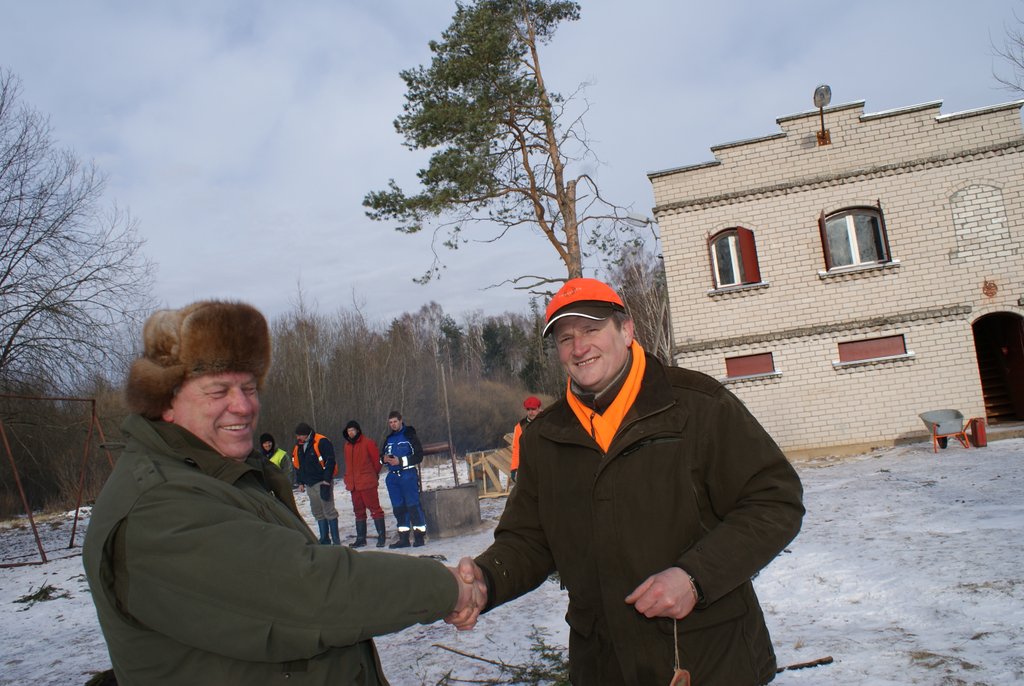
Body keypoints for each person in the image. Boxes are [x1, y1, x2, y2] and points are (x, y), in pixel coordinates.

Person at [82, 300, 485, 685]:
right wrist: (445, 588)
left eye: (249, 387)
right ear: (165, 403)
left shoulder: (226, 473)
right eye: (219, 391)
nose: (244, 406)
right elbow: (310, 591)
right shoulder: (157, 506)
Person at [447, 279, 805, 685]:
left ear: (627, 330)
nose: (579, 348)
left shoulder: (697, 405)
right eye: (565, 338)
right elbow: (529, 539)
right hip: (604, 666)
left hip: (709, 659)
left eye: (591, 329)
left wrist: (694, 578)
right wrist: (486, 580)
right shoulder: (544, 437)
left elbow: (775, 500)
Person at [380, 410, 427, 548]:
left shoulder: (409, 435)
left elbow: (419, 456)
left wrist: (400, 461)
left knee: (413, 506)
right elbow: (381, 457)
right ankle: (404, 539)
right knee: (398, 508)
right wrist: (383, 459)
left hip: (408, 475)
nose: (393, 424)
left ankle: (419, 537)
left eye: (395, 421)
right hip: (393, 478)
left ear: (401, 421)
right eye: (390, 422)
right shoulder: (388, 439)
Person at [292, 422, 342, 545]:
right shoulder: (299, 446)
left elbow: (330, 461)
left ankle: (336, 541)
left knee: (329, 510)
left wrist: (326, 480)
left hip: (322, 482)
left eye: (299, 435)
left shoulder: (321, 441)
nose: (298, 438)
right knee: (317, 511)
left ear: (306, 434)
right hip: (309, 484)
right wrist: (300, 482)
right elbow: (298, 465)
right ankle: (324, 539)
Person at [342, 419, 387, 548]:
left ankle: (381, 537)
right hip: (354, 485)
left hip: (367, 483)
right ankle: (361, 538)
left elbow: (377, 462)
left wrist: (372, 475)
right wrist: (347, 478)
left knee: (375, 510)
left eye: (352, 430)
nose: (350, 433)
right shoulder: (347, 446)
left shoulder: (368, 443)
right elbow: (348, 464)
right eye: (348, 431)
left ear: (358, 430)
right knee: (358, 511)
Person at [509, 395, 541, 483]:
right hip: (528, 467)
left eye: (533, 409)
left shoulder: (546, 422)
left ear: (539, 408)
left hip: (546, 465)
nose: (531, 412)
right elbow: (516, 448)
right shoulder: (520, 427)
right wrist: (514, 468)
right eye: (528, 409)